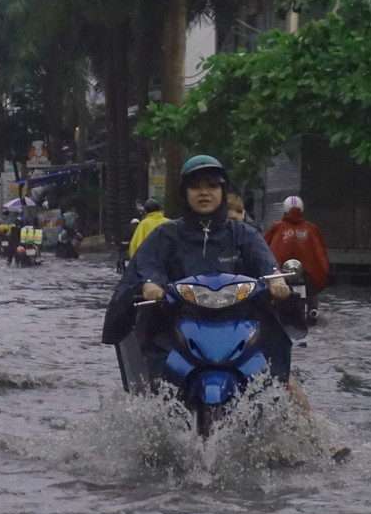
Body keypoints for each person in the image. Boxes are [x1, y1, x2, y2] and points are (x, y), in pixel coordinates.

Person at [104, 155, 294, 380]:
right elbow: (147, 264)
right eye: (195, 186)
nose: (204, 192)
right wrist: (151, 284)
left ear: (223, 192)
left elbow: (266, 262)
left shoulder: (243, 233)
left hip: (239, 324)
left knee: (283, 384)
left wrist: (277, 280)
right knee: (155, 377)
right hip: (177, 326)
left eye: (212, 186)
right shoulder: (166, 234)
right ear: (185, 193)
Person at [264, 195, 331, 322]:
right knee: (312, 292)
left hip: (281, 272)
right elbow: (321, 253)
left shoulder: (277, 227)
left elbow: (263, 247)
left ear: (285, 209)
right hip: (307, 273)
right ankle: (313, 310)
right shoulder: (311, 228)